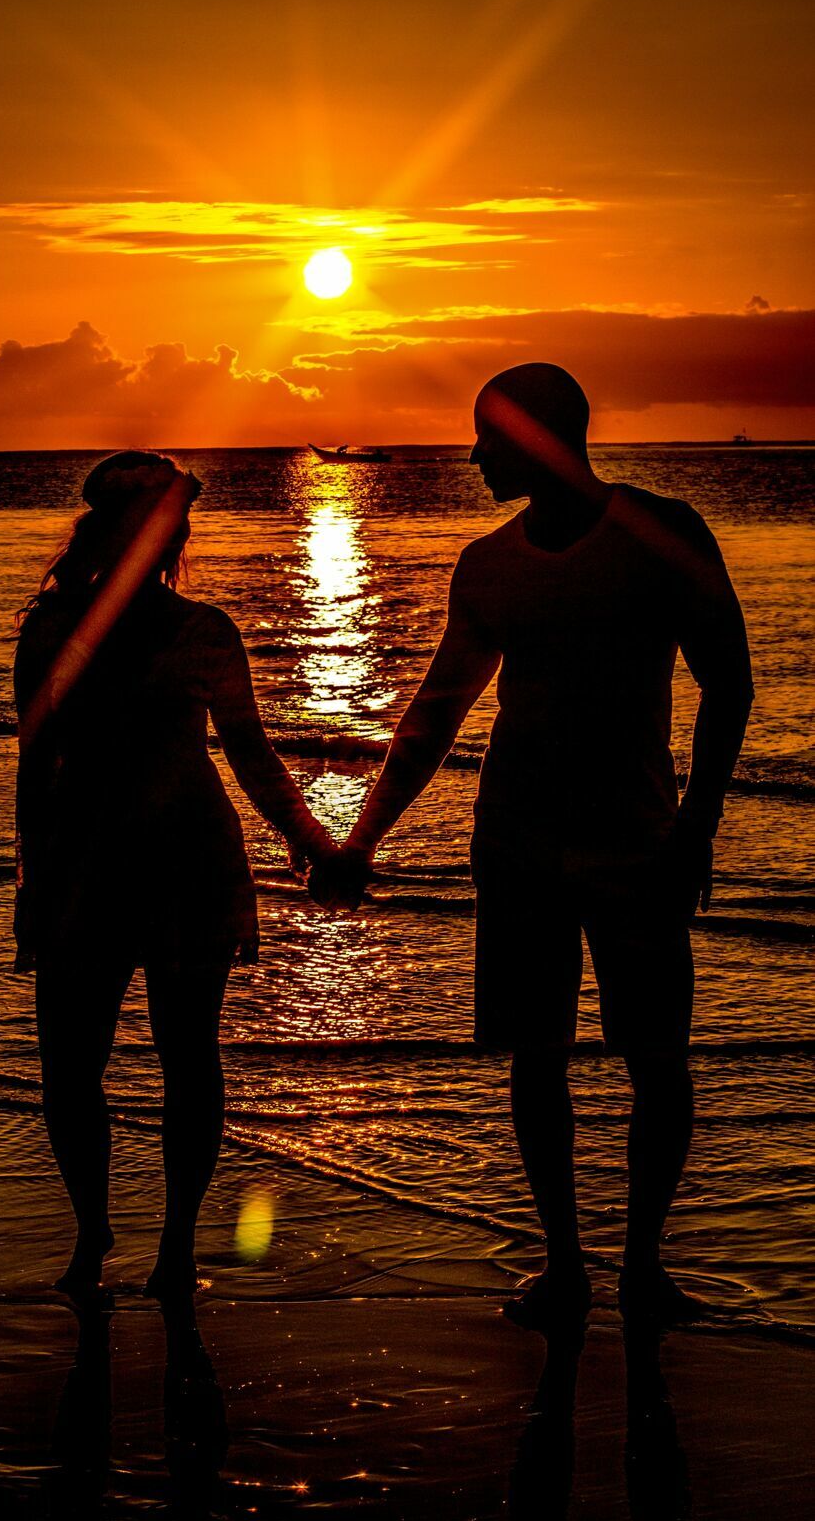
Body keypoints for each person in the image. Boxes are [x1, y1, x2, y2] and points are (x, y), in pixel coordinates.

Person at [310, 364, 753, 1328]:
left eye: (487, 435)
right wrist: (358, 841)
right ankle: (565, 1265)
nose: (472, 455)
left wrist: (697, 827)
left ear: (543, 436)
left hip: (637, 839)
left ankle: (642, 1266)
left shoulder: (659, 532)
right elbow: (434, 714)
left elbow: (728, 682)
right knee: (534, 1054)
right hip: (513, 842)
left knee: (656, 1055)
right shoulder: (487, 565)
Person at [14, 451, 335, 1302]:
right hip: (103, 864)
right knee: (79, 1068)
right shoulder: (53, 628)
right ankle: (99, 1237)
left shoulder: (199, 629)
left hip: (179, 862)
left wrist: (309, 840)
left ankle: (172, 1248)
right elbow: (36, 760)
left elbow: (249, 753)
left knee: (171, 1059)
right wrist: (31, 880)